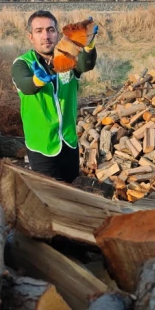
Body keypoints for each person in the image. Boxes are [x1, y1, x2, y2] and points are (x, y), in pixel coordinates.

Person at [12, 10, 97, 183]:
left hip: (69, 142)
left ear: (57, 34)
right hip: (42, 147)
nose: (46, 36)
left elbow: (86, 64)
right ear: (30, 37)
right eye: (39, 31)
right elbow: (26, 86)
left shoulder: (68, 57)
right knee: (47, 199)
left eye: (50, 30)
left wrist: (88, 46)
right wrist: (37, 80)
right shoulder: (23, 63)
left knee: (71, 193)